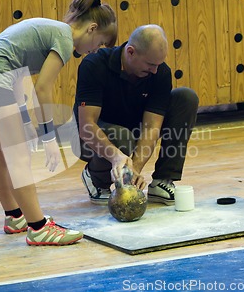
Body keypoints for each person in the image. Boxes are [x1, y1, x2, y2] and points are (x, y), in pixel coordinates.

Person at [0, 0, 117, 245]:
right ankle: (38, 228)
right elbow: (43, 89)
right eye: (99, 43)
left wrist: (24, 119)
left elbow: (16, 75)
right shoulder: (64, 39)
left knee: (0, 154)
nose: (94, 51)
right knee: (18, 156)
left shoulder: (53, 31)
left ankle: (15, 217)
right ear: (92, 28)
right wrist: (49, 139)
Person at [72, 24, 199, 205]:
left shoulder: (160, 72)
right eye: (150, 64)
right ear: (130, 52)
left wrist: (135, 169)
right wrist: (116, 156)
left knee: (186, 97)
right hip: (88, 136)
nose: (155, 70)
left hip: (132, 130)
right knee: (122, 136)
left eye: (158, 64)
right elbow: (86, 126)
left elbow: (152, 127)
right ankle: (96, 178)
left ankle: (162, 181)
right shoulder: (94, 65)